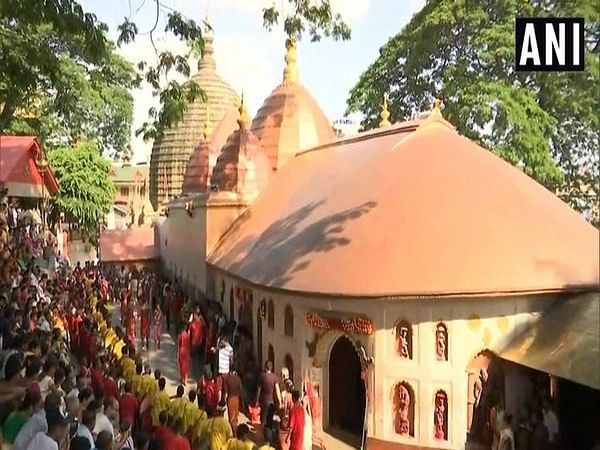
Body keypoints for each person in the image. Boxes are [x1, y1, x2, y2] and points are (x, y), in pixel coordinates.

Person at [222, 365, 243, 434]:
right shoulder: (238, 378)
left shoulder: (227, 378)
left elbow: (225, 391)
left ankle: (234, 433)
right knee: (235, 418)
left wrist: (223, 400)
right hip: (236, 399)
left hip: (230, 399)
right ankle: (235, 432)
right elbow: (241, 390)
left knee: (231, 418)